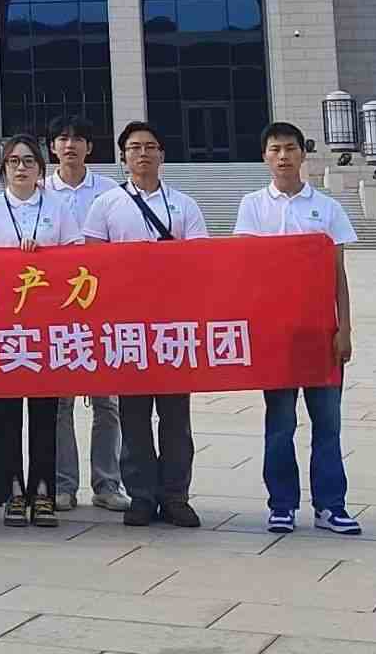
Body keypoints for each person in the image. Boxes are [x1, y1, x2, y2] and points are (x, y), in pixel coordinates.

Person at [81, 121, 210, 528]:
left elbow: (200, 261)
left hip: (173, 326)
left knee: (176, 418)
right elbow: (93, 265)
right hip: (127, 326)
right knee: (133, 417)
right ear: (123, 158)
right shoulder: (106, 204)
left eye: (151, 147)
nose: (143, 154)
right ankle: (140, 495)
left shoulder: (185, 204)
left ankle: (176, 496)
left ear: (162, 155)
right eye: (134, 147)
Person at [235, 120, 360, 537]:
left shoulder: (326, 208)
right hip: (278, 336)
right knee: (280, 424)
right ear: (265, 157)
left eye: (289, 148)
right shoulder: (253, 206)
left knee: (328, 424)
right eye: (274, 149)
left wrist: (344, 329)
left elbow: (338, 275)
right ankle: (282, 505)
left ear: (303, 154)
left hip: (321, 333)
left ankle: (330, 506)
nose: (283, 156)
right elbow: (248, 271)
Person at [0, 134, 82, 528]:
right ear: (3, 168)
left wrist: (48, 257)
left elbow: (76, 256)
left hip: (45, 325)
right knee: (5, 414)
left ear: (41, 169)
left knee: (44, 413)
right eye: (14, 161)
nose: (22, 167)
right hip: (2, 325)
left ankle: (43, 491)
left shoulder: (58, 207)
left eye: (29, 161)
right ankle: (12, 490)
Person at [45, 116, 123, 513]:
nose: (70, 145)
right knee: (61, 402)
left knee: (107, 402)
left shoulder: (111, 192)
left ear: (90, 147)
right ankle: (63, 484)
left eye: (78, 138)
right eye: (62, 138)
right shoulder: (39, 192)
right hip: (57, 311)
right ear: (52, 147)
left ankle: (108, 484)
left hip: (102, 310)